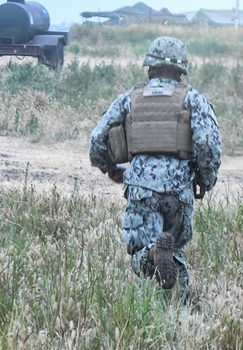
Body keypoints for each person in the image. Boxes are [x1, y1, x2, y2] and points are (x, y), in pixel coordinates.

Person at [89, 36, 222, 292]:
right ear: (181, 70)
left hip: (140, 187)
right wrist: (205, 180)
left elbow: (97, 139)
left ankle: (151, 255)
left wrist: (110, 168)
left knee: (142, 250)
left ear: (150, 67)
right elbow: (208, 144)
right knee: (175, 249)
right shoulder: (193, 100)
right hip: (178, 188)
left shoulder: (130, 99)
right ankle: (177, 312)